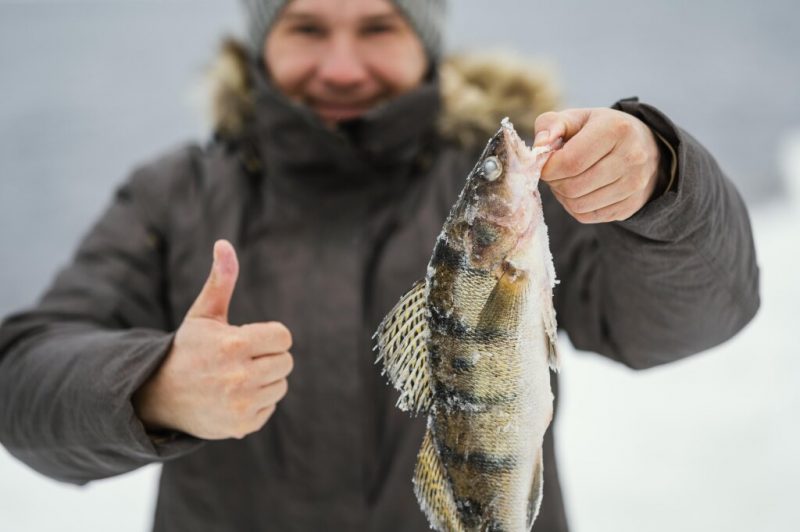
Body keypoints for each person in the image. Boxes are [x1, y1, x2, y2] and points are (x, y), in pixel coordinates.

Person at [0, 0, 760, 530]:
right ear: (259, 38)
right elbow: (21, 381)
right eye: (305, 26)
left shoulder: (526, 199)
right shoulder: (174, 196)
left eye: (377, 26)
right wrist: (153, 386)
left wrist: (662, 184)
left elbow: (695, 315)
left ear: (425, 38)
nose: (341, 64)